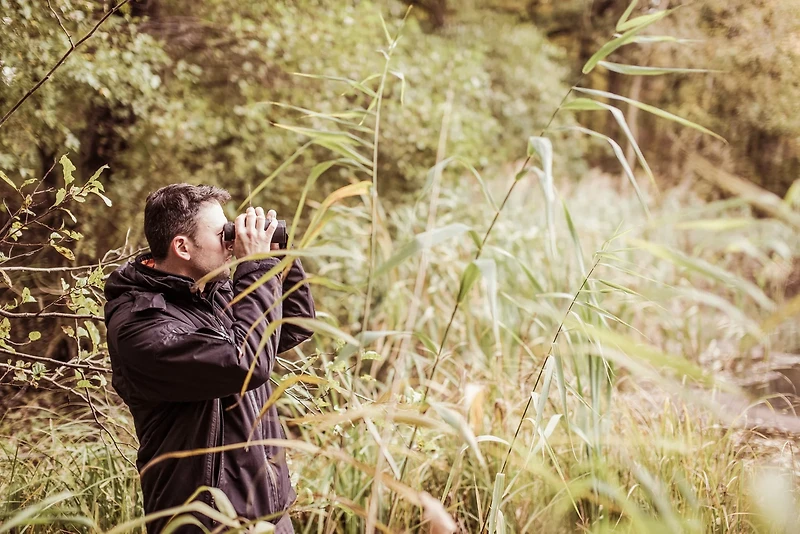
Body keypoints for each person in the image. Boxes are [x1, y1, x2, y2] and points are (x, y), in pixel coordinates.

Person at [104, 184, 315, 533]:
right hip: (203, 523)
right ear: (182, 247)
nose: (232, 243)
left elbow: (293, 325)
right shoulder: (142, 326)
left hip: (268, 515)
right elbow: (246, 364)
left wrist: (277, 259)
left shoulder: (210, 292)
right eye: (223, 234)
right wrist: (256, 266)